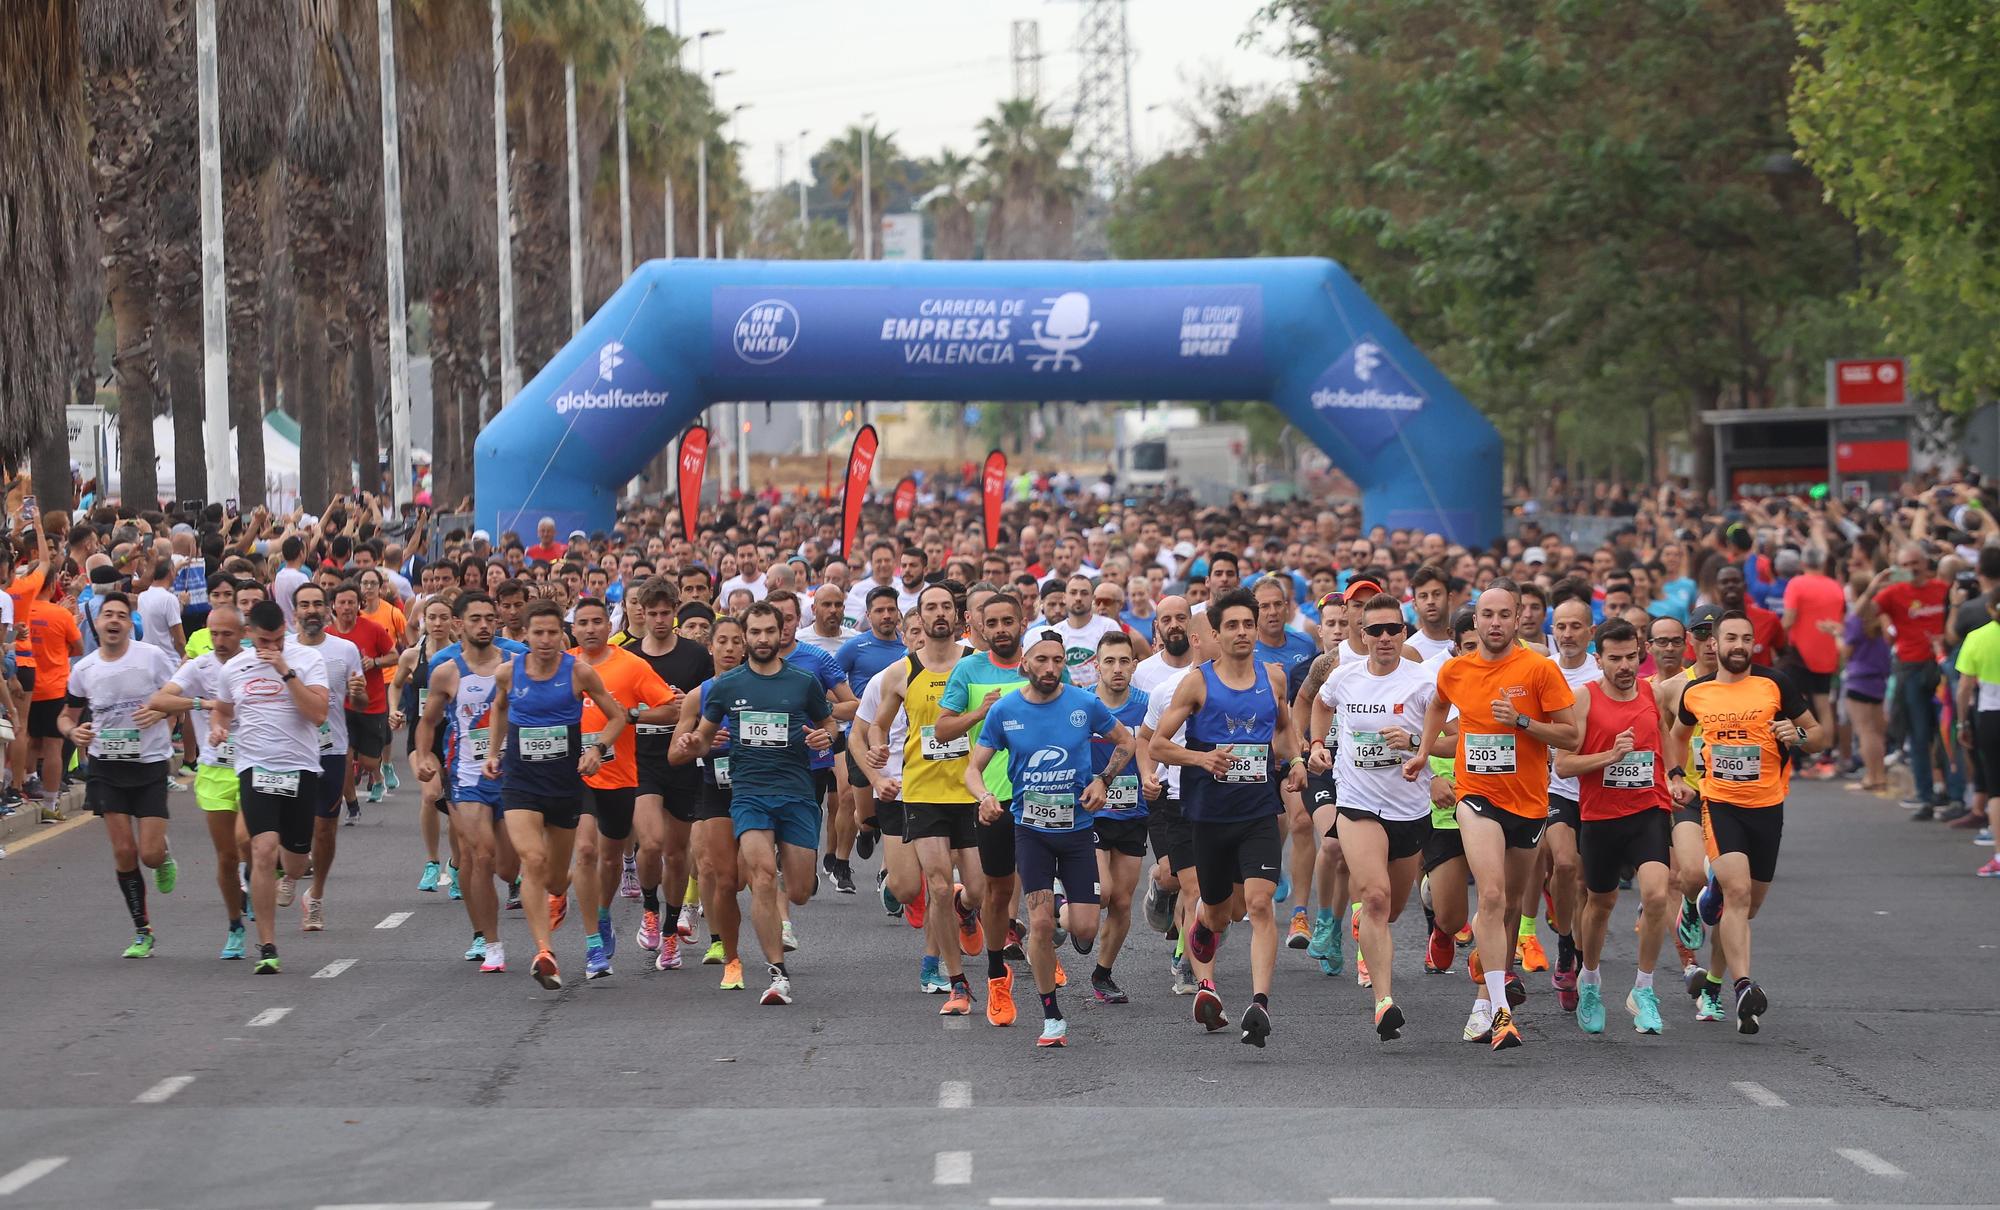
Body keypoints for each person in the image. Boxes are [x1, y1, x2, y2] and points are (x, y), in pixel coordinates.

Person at [1404, 578, 1581, 1051]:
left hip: (1528, 803)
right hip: (1476, 797)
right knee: (1493, 892)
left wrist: (1521, 722)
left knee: (1508, 907)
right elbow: (1437, 704)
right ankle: (1503, 1012)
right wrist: (1424, 752)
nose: (1496, 623)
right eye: (1487, 615)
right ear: (1475, 619)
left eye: (1505, 615)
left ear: (1521, 617)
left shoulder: (1539, 669)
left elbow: (1571, 737)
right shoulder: (1457, 670)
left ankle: (1484, 999)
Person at [1150, 588, 1309, 1047]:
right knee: (1220, 914)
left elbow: (1282, 731)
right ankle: (1200, 929)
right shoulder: (1198, 682)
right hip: (1208, 816)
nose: (1242, 633)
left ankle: (1259, 1002)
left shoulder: (1274, 678)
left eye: (1248, 624)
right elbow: (1159, 745)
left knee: (1260, 906)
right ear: (1215, 635)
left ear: (1257, 630)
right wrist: (1201, 760)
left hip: (1259, 810)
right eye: (1232, 626)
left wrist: (1295, 762)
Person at [965, 629, 1135, 1048]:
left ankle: (1066, 904)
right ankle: (1051, 1015)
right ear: (1025, 663)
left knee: (1084, 930)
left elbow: (1126, 742)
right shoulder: (1005, 711)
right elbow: (972, 768)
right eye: (1042, 660)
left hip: (1078, 834)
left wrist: (1103, 780)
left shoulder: (1083, 703)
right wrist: (985, 796)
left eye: (1058, 660)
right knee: (1039, 924)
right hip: (1031, 833)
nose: (1050, 668)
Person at [1667, 611, 1823, 1034]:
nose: (1739, 645)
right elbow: (1677, 736)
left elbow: (1820, 735)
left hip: (1768, 807)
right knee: (1736, 894)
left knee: (1747, 907)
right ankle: (1744, 987)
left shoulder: (1776, 684)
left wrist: (1799, 736)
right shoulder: (1696, 692)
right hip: (1721, 805)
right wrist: (1676, 775)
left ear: (1755, 644)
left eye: (1746, 638)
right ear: (1715, 644)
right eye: (1730, 637)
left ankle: (1714, 983)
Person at [673, 601, 834, 1005]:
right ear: (746, 638)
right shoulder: (727, 686)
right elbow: (706, 735)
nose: (762, 639)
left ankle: (787, 876)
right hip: (749, 794)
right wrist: (697, 742)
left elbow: (829, 721)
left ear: (782, 634)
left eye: (769, 631)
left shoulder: (802, 682)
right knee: (760, 876)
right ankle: (777, 974)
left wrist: (826, 736)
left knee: (798, 891)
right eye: (755, 632)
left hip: (796, 794)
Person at [1307, 592, 1437, 1039]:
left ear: (1404, 632)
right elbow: (1320, 704)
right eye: (1375, 630)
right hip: (1358, 801)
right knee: (1376, 897)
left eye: (1393, 629)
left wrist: (1416, 744)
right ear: (1361, 635)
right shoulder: (1345, 678)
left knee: (1393, 909)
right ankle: (1384, 1001)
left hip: (1409, 808)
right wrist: (1319, 745)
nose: (1385, 638)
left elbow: (1454, 736)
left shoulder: (1424, 681)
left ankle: (1367, 925)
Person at [482, 599, 629, 990]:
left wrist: (596, 750)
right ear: (525, 636)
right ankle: (544, 951)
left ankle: (561, 887)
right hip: (521, 782)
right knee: (531, 859)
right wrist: (494, 753)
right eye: (537, 633)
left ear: (562, 636)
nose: (545, 640)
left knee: (555, 879)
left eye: (552, 633)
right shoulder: (507, 672)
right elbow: (498, 710)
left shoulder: (578, 672)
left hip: (565, 785)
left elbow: (616, 716)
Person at [1552, 618, 1674, 1035]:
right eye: (1615, 658)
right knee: (1599, 905)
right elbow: (1564, 765)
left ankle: (1643, 988)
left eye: (1631, 657)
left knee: (1657, 894)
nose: (1625, 666)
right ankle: (1589, 980)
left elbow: (1665, 735)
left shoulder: (1651, 693)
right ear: (1598, 659)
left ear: (1641, 655)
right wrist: (1608, 757)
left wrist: (1673, 774)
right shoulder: (1582, 699)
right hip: (1601, 816)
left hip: (1647, 810)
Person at [869, 585, 985, 1017]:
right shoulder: (901, 672)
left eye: (946, 608)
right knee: (936, 885)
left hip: (971, 791)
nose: (940, 614)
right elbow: (878, 726)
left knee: (975, 890)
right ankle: (956, 983)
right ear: (918, 616)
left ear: (958, 616)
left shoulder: (977, 665)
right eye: (930, 607)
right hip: (922, 792)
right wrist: (878, 752)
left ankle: (964, 908)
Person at [206, 599, 331, 974]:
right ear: (249, 634)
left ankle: (289, 876)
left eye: (278, 639)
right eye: (264, 640)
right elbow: (223, 708)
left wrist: (286, 671)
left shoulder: (307, 660)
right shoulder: (234, 668)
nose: (272, 647)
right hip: (254, 766)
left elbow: (319, 713)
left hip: (300, 768)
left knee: (294, 860)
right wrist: (216, 727)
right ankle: (267, 946)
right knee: (262, 849)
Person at [60, 593, 184, 959]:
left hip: (148, 764)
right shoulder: (84, 670)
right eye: (106, 615)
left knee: (148, 854)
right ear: (96, 623)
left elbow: (178, 695)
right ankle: (142, 930)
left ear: (130, 624)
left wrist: (161, 714)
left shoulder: (151, 658)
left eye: (121, 615)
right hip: (106, 767)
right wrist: (72, 732)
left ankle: (163, 854)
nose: (113, 620)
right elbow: (66, 715)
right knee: (124, 851)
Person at [567, 597, 677, 979]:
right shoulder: (564, 665)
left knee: (610, 859)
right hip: (577, 774)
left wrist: (630, 715)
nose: (592, 628)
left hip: (619, 776)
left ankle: (602, 913)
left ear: (608, 625)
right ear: (575, 628)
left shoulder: (630, 665)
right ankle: (594, 941)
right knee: (584, 850)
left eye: (598, 621)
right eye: (584, 622)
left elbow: (669, 708)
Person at [415, 592, 514, 970]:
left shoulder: (514, 665)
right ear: (459, 624)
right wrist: (425, 757)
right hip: (466, 777)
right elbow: (428, 722)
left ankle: (490, 927)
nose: (484, 625)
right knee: (482, 855)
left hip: (512, 776)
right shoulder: (447, 672)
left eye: (490, 617)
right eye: (475, 618)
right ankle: (490, 943)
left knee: (508, 868)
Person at [148, 606, 253, 959]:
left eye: (228, 634)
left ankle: (256, 872)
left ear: (243, 633)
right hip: (215, 769)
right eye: (214, 634)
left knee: (247, 841)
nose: (220, 641)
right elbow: (160, 699)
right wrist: (202, 702)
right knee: (225, 856)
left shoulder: (256, 661)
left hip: (254, 764)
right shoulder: (201, 665)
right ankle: (235, 924)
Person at [623, 578, 714, 966]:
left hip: (682, 758)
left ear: (676, 610)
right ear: (640, 612)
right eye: (652, 613)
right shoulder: (628, 656)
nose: (660, 620)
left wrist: (689, 714)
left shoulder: (695, 655)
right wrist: (645, 712)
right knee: (651, 843)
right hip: (641, 758)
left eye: (666, 613)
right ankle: (648, 908)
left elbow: (711, 703)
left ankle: (670, 930)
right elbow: (617, 707)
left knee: (677, 856)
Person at [1134, 595, 1202, 994]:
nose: (1174, 624)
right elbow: (1142, 734)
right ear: (1156, 628)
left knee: (1203, 885)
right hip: (1162, 789)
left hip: (1207, 793)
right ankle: (1160, 888)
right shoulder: (1147, 675)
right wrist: (1145, 773)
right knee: (1175, 877)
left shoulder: (1215, 675)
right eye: (1166, 619)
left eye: (1181, 618)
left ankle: (1185, 951)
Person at [290, 584, 368, 930]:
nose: (311, 610)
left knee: (325, 830)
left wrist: (359, 694)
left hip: (331, 749)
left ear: (328, 611)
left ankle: (316, 896)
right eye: (304, 605)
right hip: (289, 749)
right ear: (295, 612)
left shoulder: (345, 649)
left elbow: (360, 704)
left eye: (318, 604)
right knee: (288, 822)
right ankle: (289, 868)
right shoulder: (283, 650)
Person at [1086, 630, 1152, 1005]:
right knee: (1102, 892)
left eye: (1124, 661)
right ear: (1096, 666)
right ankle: (1067, 900)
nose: (1116, 669)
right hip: (1092, 811)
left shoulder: (1144, 705)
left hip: (1133, 810)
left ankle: (1103, 974)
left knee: (1123, 902)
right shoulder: (1083, 703)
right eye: (1109, 661)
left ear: (1134, 665)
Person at [1862, 546, 1951, 814]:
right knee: (1920, 734)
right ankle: (1925, 795)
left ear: (1925, 563)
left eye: (1916, 562)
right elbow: (1861, 615)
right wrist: (1873, 587)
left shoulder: (1943, 588)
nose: (1912, 568)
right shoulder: (1893, 593)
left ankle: (1951, 793)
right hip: (1910, 668)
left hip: (1940, 665)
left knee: (1947, 733)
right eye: (1906, 564)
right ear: (1898, 568)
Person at [327, 581, 396, 822]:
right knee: (344, 756)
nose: (346, 607)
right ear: (333, 605)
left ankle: (376, 773)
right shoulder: (328, 635)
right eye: (342, 602)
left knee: (367, 761)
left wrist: (375, 662)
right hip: (340, 708)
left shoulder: (374, 629)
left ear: (359, 605)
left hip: (372, 704)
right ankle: (352, 803)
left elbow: (394, 655)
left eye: (351, 602)